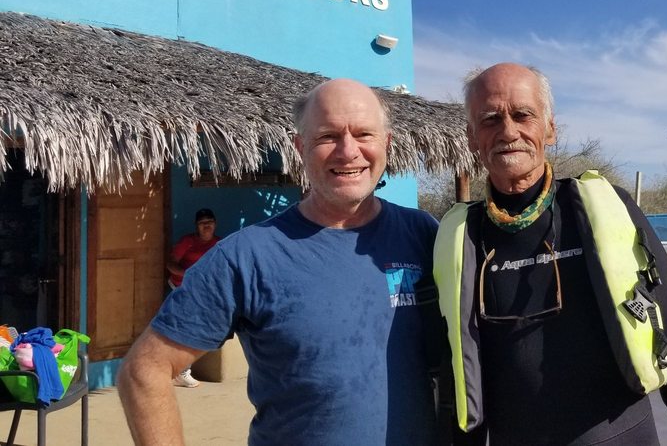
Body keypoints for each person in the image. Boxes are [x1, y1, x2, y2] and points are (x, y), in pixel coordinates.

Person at [119, 79, 440, 445]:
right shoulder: (246, 256)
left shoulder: (423, 234)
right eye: (327, 136)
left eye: (364, 133)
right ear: (300, 148)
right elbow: (144, 371)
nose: (348, 150)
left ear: (387, 143)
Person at [434, 62, 667, 445]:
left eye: (523, 115)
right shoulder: (464, 237)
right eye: (489, 119)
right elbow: (456, 371)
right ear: (471, 137)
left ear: (550, 128)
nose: (508, 131)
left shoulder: (605, 210)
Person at [165, 207, 221, 388]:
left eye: (210, 222)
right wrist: (188, 275)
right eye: (202, 223)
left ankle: (181, 370)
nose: (207, 226)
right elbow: (170, 264)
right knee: (188, 328)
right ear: (197, 226)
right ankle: (181, 372)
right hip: (183, 288)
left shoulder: (219, 243)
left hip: (205, 291)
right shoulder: (188, 242)